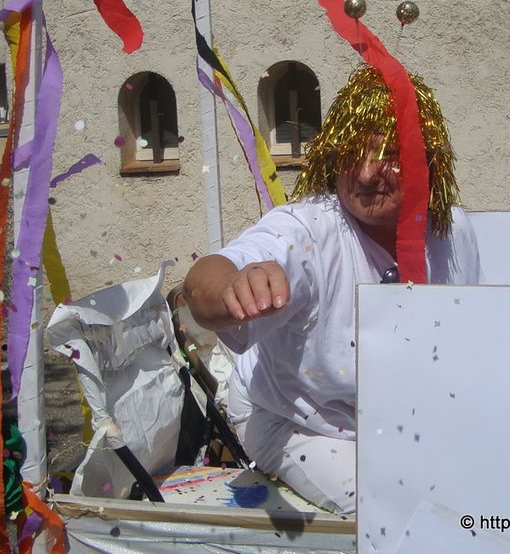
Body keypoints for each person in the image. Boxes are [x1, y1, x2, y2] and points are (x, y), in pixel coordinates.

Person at [183, 66, 482, 514]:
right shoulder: (308, 231)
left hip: (401, 420)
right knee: (392, 509)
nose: (365, 174)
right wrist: (232, 287)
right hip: (297, 423)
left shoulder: (450, 229)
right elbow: (203, 284)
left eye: (390, 155)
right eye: (351, 152)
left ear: (428, 160)